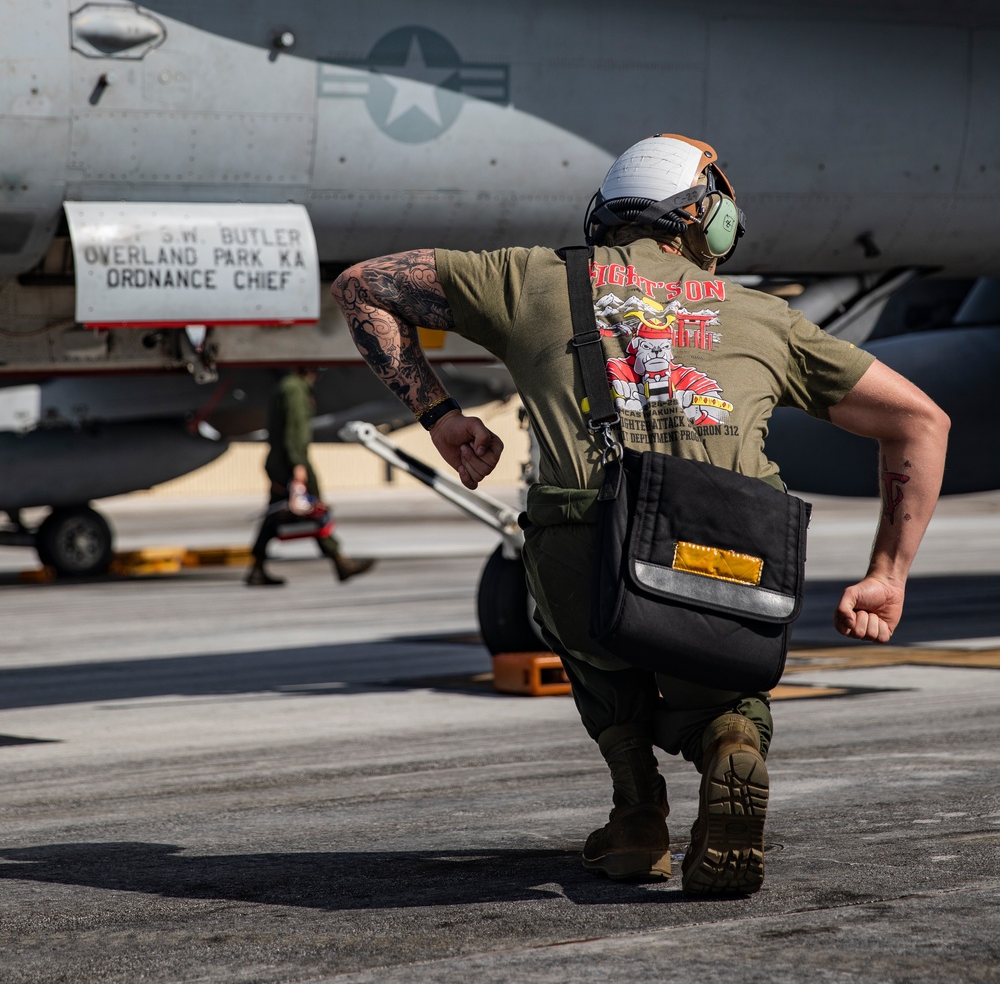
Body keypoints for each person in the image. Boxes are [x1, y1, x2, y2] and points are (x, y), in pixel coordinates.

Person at [330, 134, 949, 898]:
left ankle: (635, 815)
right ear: (703, 220)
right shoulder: (765, 317)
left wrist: (441, 416)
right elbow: (922, 422)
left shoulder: (532, 278)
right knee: (724, 678)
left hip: (584, 547)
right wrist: (887, 574)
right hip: (729, 552)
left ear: (605, 216)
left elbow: (363, 286)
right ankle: (729, 736)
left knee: (593, 643)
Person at [246, 368, 376, 587]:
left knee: (279, 513)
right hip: (291, 460)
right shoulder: (294, 389)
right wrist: (298, 464)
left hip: (283, 460)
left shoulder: (289, 386)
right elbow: (294, 429)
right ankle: (340, 562)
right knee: (313, 509)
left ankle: (257, 568)